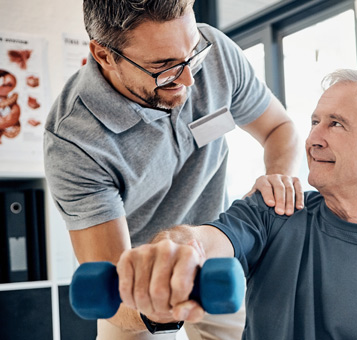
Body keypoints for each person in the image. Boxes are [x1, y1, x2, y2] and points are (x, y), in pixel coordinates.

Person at [115, 69, 357, 339]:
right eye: (314, 121)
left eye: (336, 124)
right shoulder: (275, 209)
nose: (312, 139)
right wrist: (174, 247)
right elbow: (206, 239)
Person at [43, 0, 302, 339]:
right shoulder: (74, 140)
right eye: (163, 66)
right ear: (104, 55)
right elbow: (112, 285)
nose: (190, 78)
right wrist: (160, 307)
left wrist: (277, 175)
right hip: (140, 285)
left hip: (218, 256)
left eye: (192, 53)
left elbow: (279, 128)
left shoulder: (216, 53)